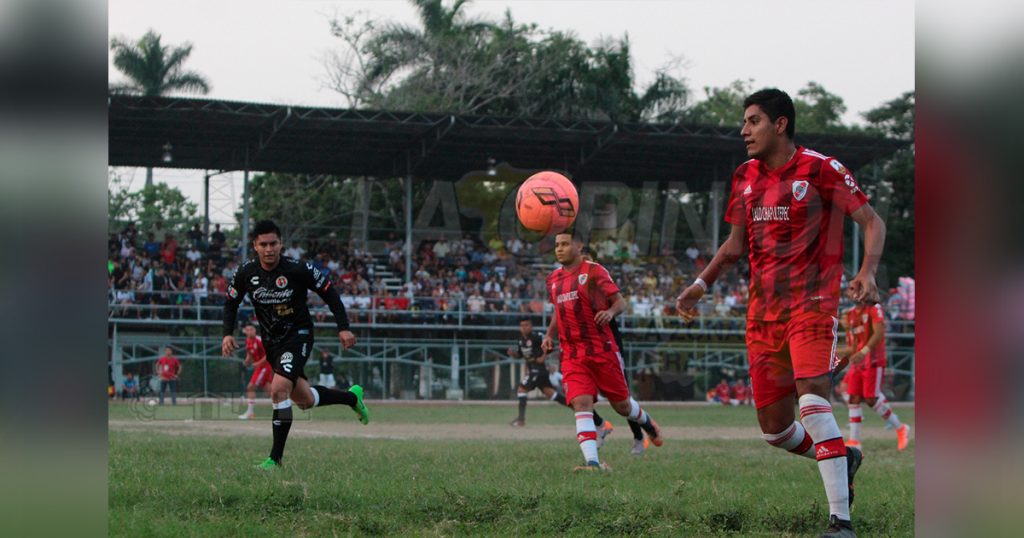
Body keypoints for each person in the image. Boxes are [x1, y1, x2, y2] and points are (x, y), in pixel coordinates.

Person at [675, 89, 885, 537]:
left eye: (753, 121)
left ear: (781, 124)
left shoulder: (820, 168)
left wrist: (867, 272)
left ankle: (840, 521)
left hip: (812, 303)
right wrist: (699, 285)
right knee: (775, 430)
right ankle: (842, 456)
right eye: (744, 122)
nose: (743, 130)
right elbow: (734, 246)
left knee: (812, 397)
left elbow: (871, 221)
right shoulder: (744, 176)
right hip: (762, 313)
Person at [222, 220, 369, 470]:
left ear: (281, 244)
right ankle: (351, 398)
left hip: (298, 335)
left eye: (273, 243)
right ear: (255, 246)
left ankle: (275, 459)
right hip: (272, 342)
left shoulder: (299, 269)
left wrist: (343, 327)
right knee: (304, 400)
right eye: (263, 244)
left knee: (278, 389)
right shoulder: (246, 272)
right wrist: (227, 334)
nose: (269, 249)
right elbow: (231, 303)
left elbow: (331, 294)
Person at [542, 231, 663, 472]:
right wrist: (548, 335)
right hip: (573, 353)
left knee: (622, 407)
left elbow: (620, 302)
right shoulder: (553, 279)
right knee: (581, 403)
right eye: (557, 245)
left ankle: (649, 424)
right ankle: (593, 464)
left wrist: (610, 312)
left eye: (565, 244)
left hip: (602, 350)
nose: (559, 249)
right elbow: (558, 311)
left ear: (579, 245)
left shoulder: (594, 271)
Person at [508, 318, 613, 448]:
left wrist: (543, 357)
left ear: (531, 326)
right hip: (534, 370)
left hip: (539, 371)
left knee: (522, 390)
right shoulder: (521, 341)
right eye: (522, 325)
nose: (524, 327)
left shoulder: (537, 337)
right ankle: (599, 421)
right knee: (555, 396)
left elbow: (550, 345)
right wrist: (513, 354)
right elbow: (520, 354)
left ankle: (521, 420)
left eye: (527, 325)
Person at [839, 293, 911, 451]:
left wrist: (863, 352)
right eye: (850, 289)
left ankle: (900, 427)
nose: (850, 292)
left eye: (853, 288)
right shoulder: (851, 316)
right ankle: (854, 440)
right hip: (859, 363)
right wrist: (834, 352)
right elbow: (852, 348)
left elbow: (878, 334)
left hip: (873, 360)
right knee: (853, 398)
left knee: (871, 398)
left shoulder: (873, 308)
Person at [237, 324, 273, 420]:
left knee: (250, 387)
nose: (249, 331)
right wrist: (245, 363)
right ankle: (286, 404)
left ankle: (250, 413)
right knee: (270, 391)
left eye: (251, 329)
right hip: (259, 368)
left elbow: (269, 354)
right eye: (247, 330)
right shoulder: (248, 341)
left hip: (265, 366)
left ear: (255, 331)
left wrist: (258, 363)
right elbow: (249, 355)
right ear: (245, 332)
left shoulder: (260, 341)